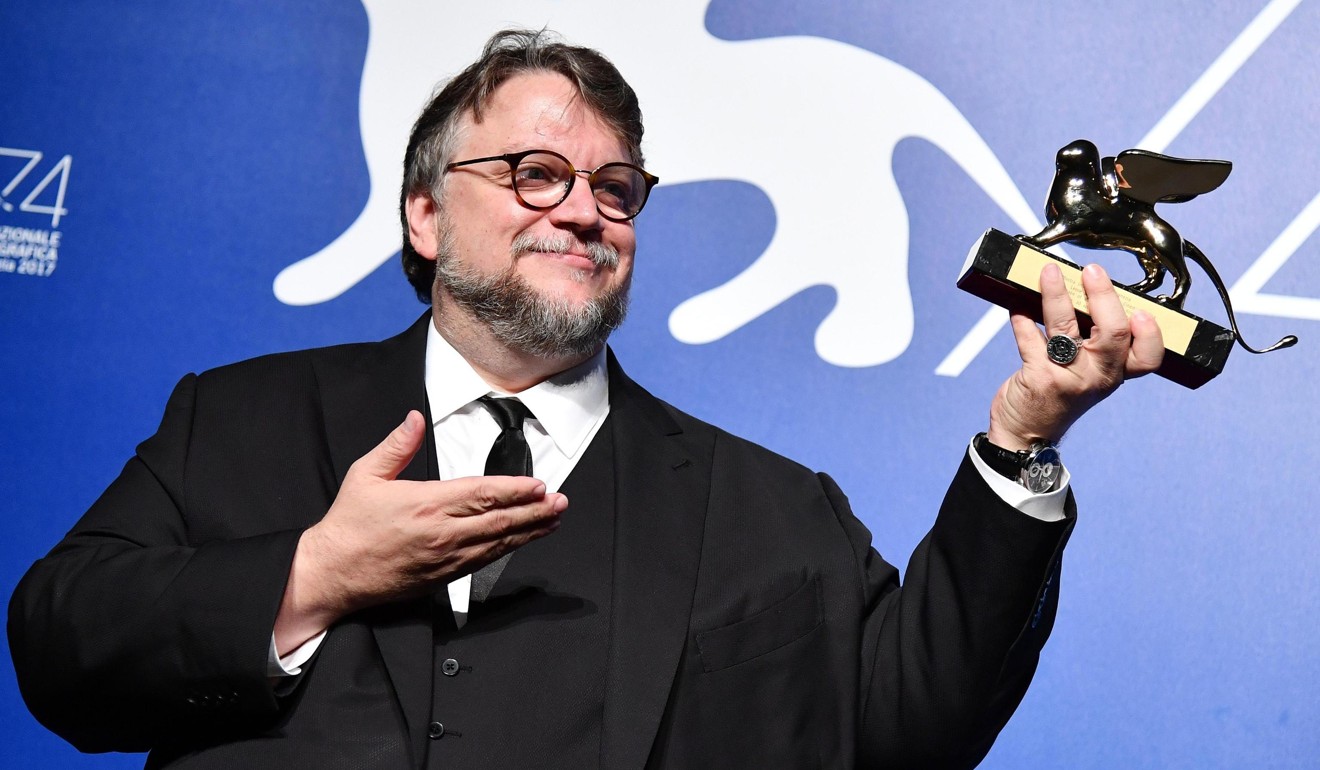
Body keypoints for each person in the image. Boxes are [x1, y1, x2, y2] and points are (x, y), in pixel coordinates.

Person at [8, 29, 1163, 769]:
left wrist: (1024, 437)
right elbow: (60, 646)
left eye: (616, 188)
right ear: (424, 215)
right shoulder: (240, 421)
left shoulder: (773, 507)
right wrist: (311, 574)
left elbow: (910, 728)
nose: (583, 211)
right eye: (533, 174)